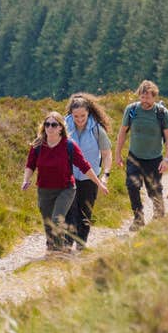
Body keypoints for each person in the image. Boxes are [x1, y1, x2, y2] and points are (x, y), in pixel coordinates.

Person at [22, 111, 109, 252]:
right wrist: (26, 180)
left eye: (53, 125)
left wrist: (99, 183)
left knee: (57, 220)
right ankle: (52, 245)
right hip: (44, 189)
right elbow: (30, 165)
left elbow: (84, 166)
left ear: (61, 127)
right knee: (48, 222)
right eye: (47, 124)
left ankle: (59, 251)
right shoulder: (37, 145)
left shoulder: (69, 145)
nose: (50, 128)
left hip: (65, 189)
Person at [114, 80, 168, 231]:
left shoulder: (161, 113)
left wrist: (166, 159)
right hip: (134, 157)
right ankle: (138, 218)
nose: (145, 100)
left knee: (154, 190)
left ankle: (159, 217)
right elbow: (122, 132)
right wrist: (118, 154)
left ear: (154, 97)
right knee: (132, 186)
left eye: (148, 97)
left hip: (154, 159)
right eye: (142, 96)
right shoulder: (132, 110)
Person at [63, 93, 112, 250]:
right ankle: (67, 243)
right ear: (71, 114)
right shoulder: (63, 126)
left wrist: (106, 175)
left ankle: (81, 244)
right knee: (69, 210)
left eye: (82, 116)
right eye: (76, 116)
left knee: (85, 212)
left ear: (88, 113)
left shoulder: (97, 129)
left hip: (90, 178)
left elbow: (106, 153)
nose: (79, 119)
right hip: (68, 177)